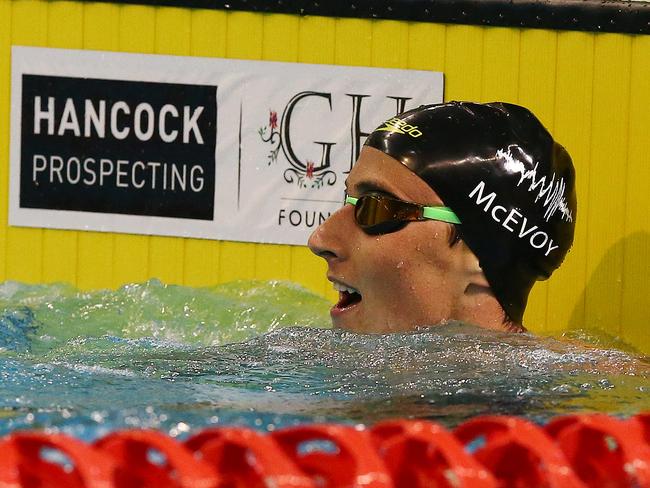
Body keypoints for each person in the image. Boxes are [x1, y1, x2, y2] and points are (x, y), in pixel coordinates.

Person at [308, 101, 576, 334]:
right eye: (348, 200)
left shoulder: (571, 381)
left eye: (376, 208)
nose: (319, 240)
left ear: (481, 257)